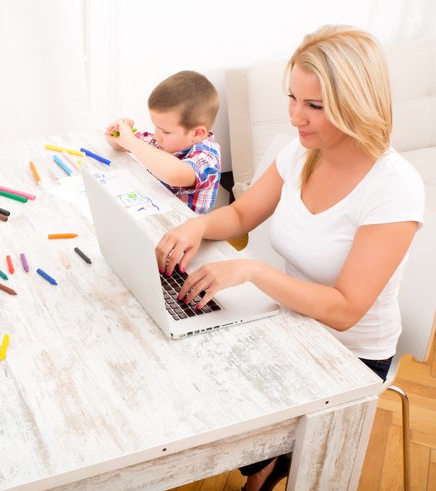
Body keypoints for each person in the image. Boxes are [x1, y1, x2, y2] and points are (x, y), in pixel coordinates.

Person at [155, 26, 424, 491]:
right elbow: (241, 213)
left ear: (355, 103)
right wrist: (198, 224)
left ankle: (274, 459)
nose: (296, 116)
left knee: (211, 397)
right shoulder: (301, 152)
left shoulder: (394, 186)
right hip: (289, 321)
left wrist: (252, 271)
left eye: (315, 106)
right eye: (293, 98)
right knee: (181, 358)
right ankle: (269, 459)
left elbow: (345, 310)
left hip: (350, 355)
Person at [105, 70, 221, 214]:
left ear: (197, 134)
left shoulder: (207, 158)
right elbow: (119, 145)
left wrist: (130, 142)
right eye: (156, 127)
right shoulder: (162, 141)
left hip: (182, 228)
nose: (156, 136)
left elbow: (174, 173)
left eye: (165, 131)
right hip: (152, 213)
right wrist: (117, 134)